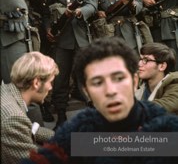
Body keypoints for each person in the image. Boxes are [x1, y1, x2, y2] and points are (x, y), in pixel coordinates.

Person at [21, 37, 178, 164]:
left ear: (135, 80)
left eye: (119, 78)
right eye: (97, 82)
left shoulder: (167, 128)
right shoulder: (78, 130)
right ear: (86, 91)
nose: (110, 91)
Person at [45, 0, 98, 128]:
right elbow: (47, 13)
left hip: (81, 36)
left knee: (86, 74)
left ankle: (94, 111)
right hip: (62, 40)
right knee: (60, 78)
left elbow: (92, 5)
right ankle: (61, 115)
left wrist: (79, 12)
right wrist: (48, 29)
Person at [1, 51, 59, 164]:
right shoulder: (13, 118)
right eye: (50, 82)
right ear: (36, 82)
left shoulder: (7, 91)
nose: (51, 87)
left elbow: (30, 129)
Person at [23, 0, 55, 122]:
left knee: (46, 67)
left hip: (44, 28)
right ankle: (39, 106)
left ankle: (45, 103)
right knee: (35, 68)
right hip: (32, 28)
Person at [135, 42, 178, 115]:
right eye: (140, 59)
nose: (139, 64)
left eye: (146, 60)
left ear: (162, 66)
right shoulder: (139, 82)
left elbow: (168, 104)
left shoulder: (175, 83)